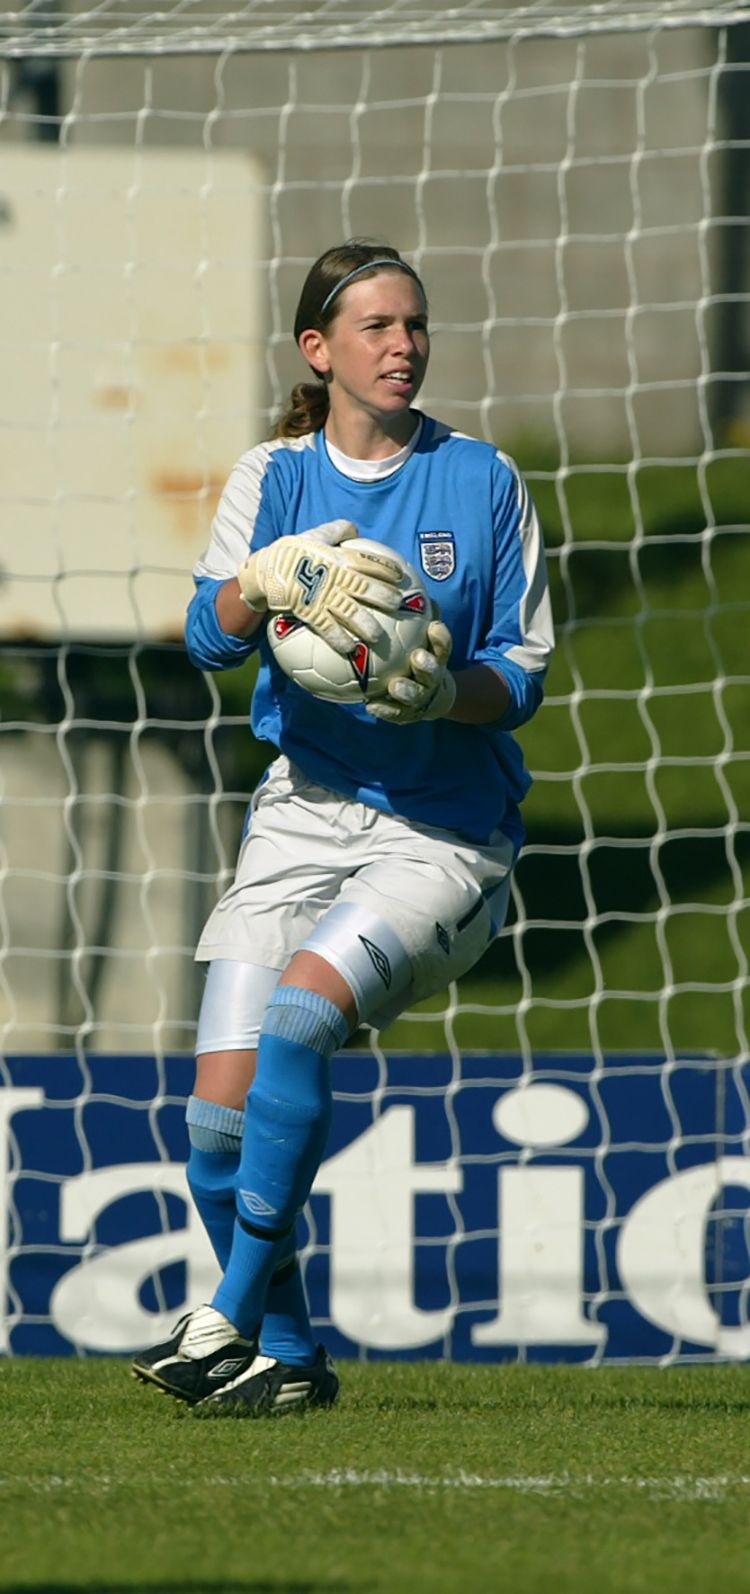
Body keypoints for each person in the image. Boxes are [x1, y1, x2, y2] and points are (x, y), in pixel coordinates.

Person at [131, 239, 554, 1416]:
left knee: (304, 1017)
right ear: (319, 353)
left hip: (444, 829)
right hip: (301, 817)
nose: (404, 345)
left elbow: (522, 674)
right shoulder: (272, 478)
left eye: (414, 324)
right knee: (215, 1125)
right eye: (375, 327)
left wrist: (439, 688)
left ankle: (221, 1314)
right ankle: (294, 1358)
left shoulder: (483, 480)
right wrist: (259, 580)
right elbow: (209, 637)